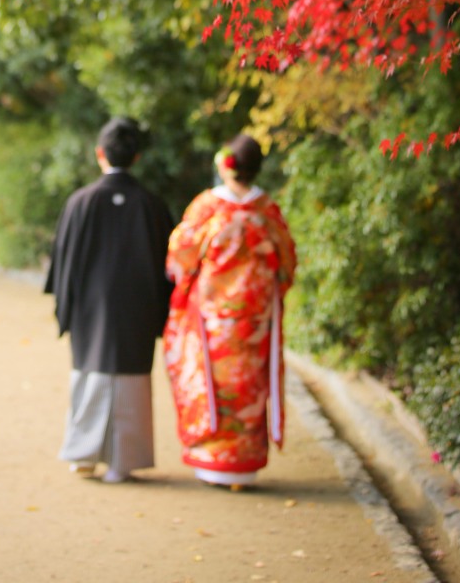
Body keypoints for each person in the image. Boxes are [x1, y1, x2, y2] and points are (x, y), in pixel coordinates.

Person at [44, 117, 174, 483]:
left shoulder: (80, 202)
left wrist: (66, 309)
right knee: (131, 381)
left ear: (99, 153)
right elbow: (168, 267)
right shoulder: (152, 205)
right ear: (137, 157)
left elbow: (63, 264)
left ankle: (83, 456)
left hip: (89, 310)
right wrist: (159, 313)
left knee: (89, 376)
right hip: (138, 310)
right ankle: (124, 462)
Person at [163, 133, 296, 489]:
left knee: (214, 384)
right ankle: (244, 465)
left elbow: (180, 254)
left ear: (225, 165)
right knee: (249, 386)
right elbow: (287, 263)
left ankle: (213, 463)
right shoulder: (267, 210)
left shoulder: (207, 207)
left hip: (214, 317)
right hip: (256, 317)